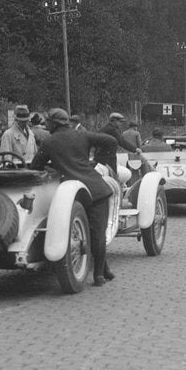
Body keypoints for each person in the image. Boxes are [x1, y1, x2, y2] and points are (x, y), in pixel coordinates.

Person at [30, 108, 120, 285]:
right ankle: (100, 274)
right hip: (96, 189)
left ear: (54, 123)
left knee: (86, 231)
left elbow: (35, 166)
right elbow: (112, 141)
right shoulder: (82, 135)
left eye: (48, 121)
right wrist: (97, 161)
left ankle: (102, 273)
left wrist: (54, 166)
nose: (45, 124)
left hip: (72, 193)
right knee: (97, 233)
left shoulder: (49, 142)